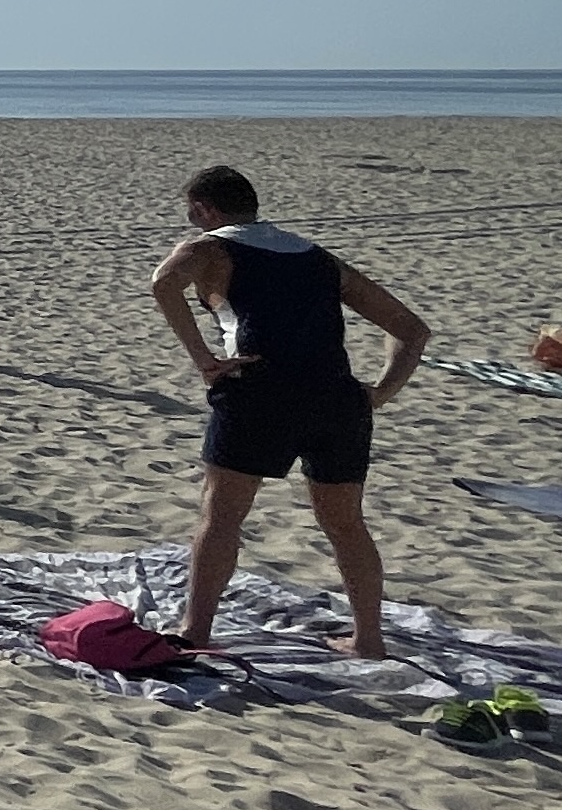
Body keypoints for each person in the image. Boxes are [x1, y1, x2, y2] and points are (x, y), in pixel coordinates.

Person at [147, 164, 431, 657]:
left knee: (222, 515)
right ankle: (368, 639)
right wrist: (380, 393)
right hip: (336, 400)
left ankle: (195, 631)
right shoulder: (318, 258)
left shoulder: (209, 248)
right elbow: (411, 329)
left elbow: (163, 283)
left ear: (203, 209)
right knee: (345, 523)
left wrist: (203, 359)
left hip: (260, 392)